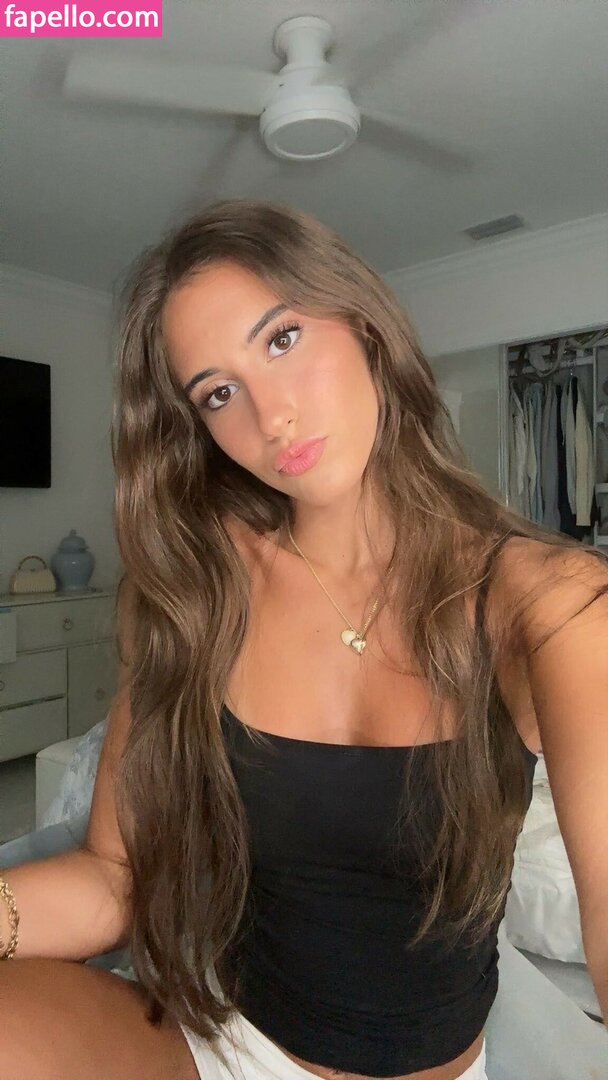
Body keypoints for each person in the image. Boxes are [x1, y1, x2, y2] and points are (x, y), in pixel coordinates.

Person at [1, 198, 607, 1080]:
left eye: (281, 339)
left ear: (364, 325)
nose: (270, 415)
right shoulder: (194, 594)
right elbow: (115, 876)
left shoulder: (546, 605)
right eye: (218, 393)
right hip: (219, 1039)